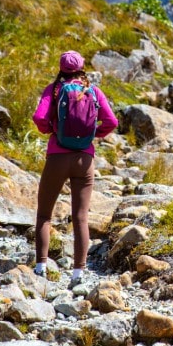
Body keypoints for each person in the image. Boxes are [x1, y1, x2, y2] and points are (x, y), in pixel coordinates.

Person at [31, 50, 118, 283]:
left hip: (57, 157)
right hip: (85, 160)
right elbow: (112, 121)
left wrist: (52, 130)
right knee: (80, 217)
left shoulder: (55, 90)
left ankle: (40, 267)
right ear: (82, 69)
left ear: (61, 68)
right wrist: (92, 135)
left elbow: (39, 118)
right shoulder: (93, 91)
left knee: (44, 215)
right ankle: (79, 272)